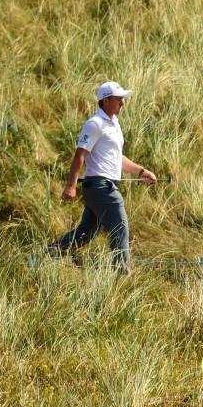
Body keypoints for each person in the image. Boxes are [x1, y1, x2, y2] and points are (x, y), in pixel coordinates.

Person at [46, 81, 157, 275]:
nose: (122, 103)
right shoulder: (95, 123)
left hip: (104, 186)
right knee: (120, 226)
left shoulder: (114, 124)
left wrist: (141, 171)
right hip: (101, 187)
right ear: (105, 101)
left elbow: (116, 157)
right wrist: (71, 185)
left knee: (85, 233)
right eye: (118, 99)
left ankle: (47, 255)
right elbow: (80, 155)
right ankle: (122, 273)